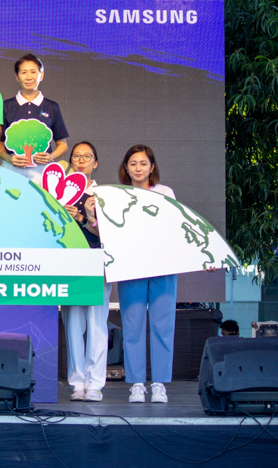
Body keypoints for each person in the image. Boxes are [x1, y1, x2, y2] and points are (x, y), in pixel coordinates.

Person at [115, 145, 177, 404]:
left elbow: (175, 226)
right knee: (132, 325)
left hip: (163, 265)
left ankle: (160, 383)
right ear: (126, 168)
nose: (138, 168)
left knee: (163, 325)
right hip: (131, 266)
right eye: (133, 163)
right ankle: (137, 384)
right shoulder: (117, 195)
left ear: (152, 166)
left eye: (143, 163)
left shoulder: (165, 193)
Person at [61, 142, 112, 402]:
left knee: (96, 323)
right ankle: (77, 382)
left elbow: (107, 235)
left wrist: (83, 219)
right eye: (76, 156)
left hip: (95, 259)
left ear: (95, 163)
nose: (81, 160)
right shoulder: (58, 191)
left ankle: (95, 383)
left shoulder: (102, 194)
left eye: (87, 156)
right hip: (68, 260)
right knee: (72, 324)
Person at [0, 54, 69, 183]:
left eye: (33, 72)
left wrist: (50, 157)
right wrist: (9, 158)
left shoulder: (52, 107)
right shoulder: (6, 106)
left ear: (41, 75)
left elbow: (62, 144)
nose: (29, 77)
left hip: (41, 172)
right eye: (24, 72)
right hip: (12, 170)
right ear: (17, 77)